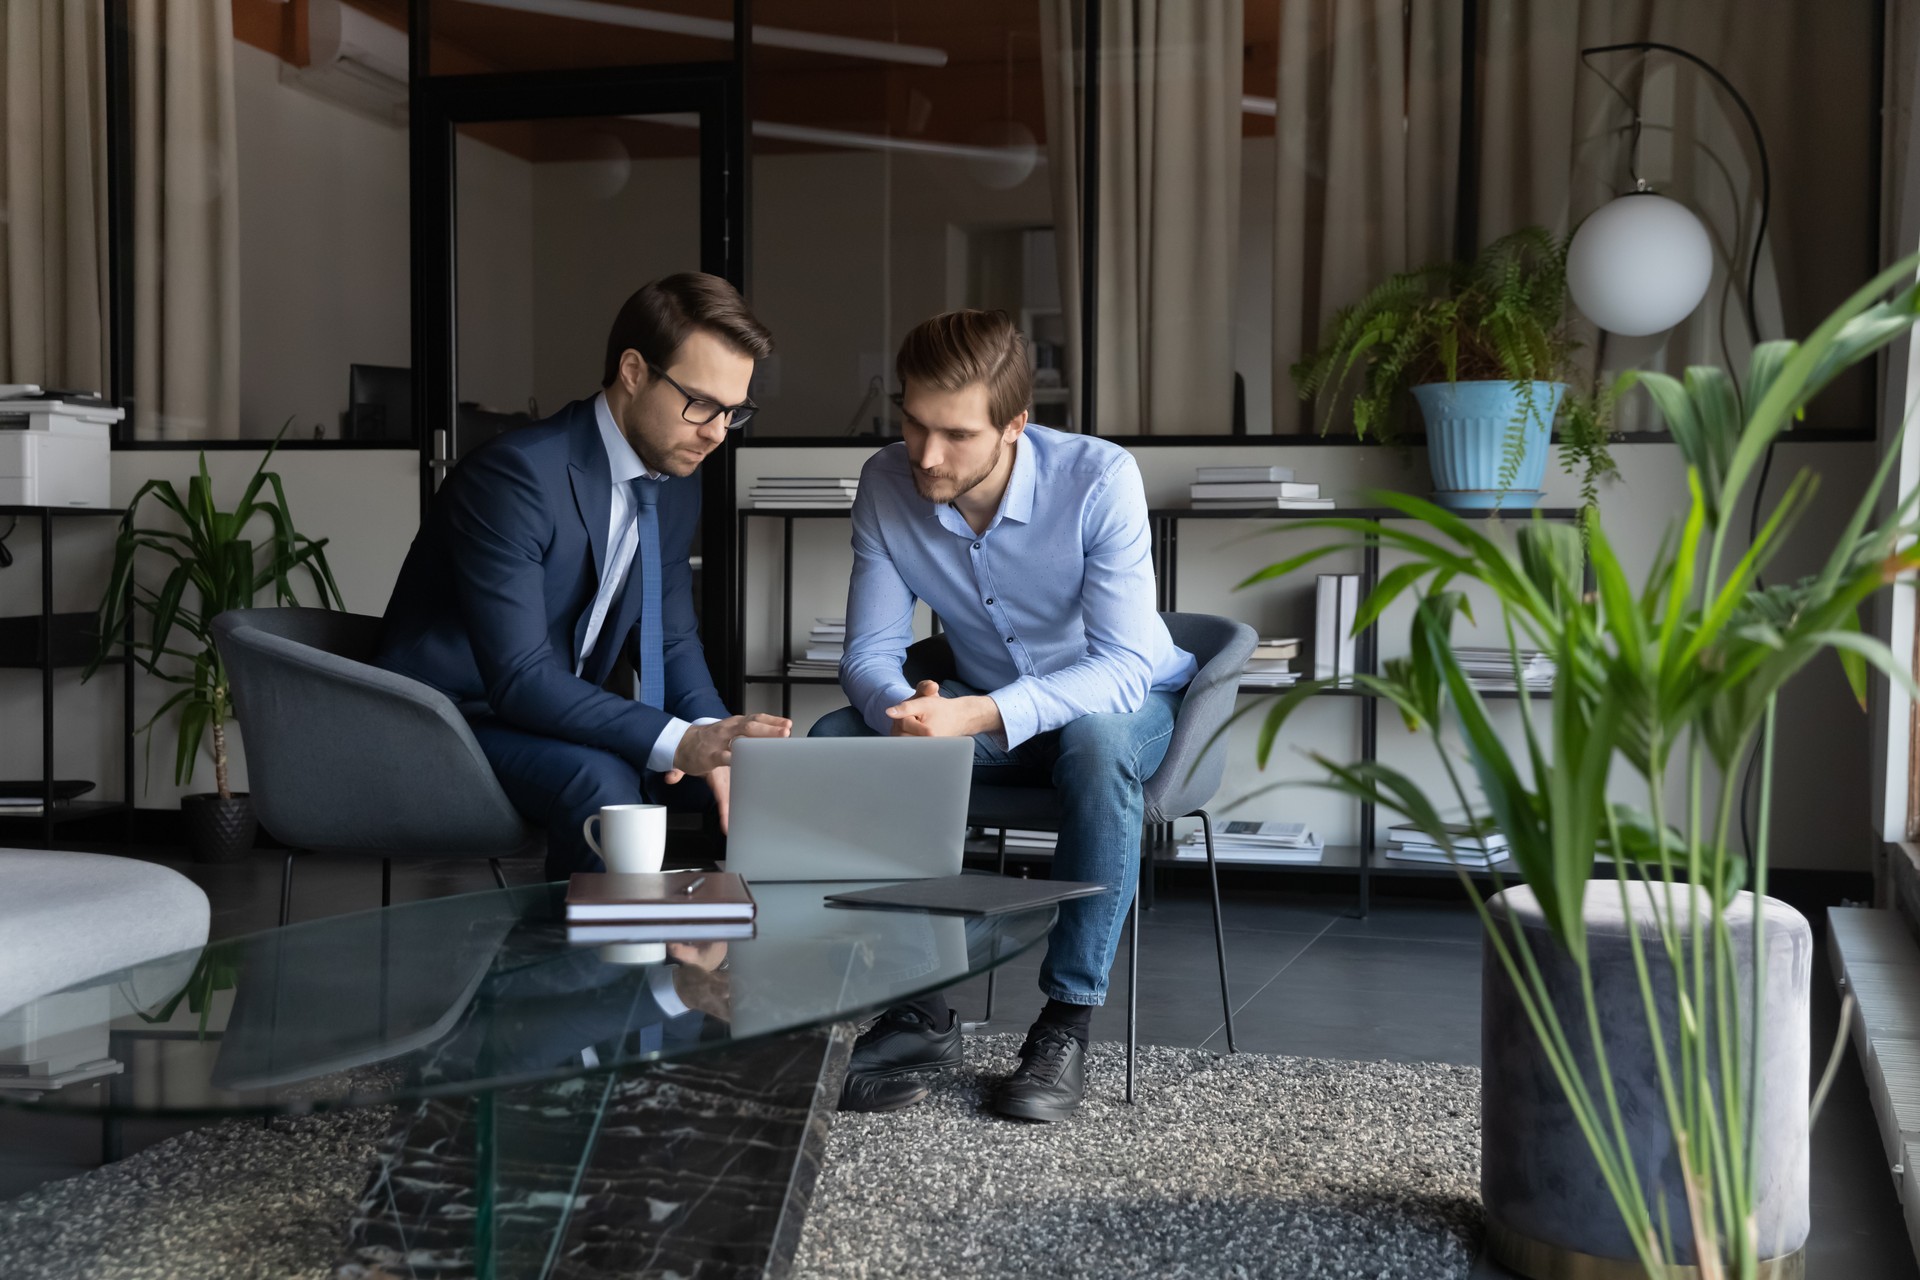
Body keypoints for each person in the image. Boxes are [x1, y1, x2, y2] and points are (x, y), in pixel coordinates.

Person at [810, 309, 1197, 1121]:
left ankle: (1066, 1021)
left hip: (1126, 708)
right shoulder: (886, 483)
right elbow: (868, 654)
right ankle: (921, 1008)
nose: (926, 454)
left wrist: (979, 712)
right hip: (977, 716)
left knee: (1093, 747)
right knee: (840, 741)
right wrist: (902, 711)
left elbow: (1125, 668)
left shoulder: (1097, 479)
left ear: (1015, 426)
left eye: (954, 434)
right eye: (912, 424)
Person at [376, 273, 791, 878]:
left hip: (549, 712)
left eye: (734, 411)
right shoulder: (516, 478)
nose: (716, 433)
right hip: (448, 720)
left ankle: (722, 961)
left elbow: (670, 637)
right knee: (602, 780)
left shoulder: (674, 478)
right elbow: (519, 678)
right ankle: (585, 967)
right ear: (632, 371)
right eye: (700, 403)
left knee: (757, 782)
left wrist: (714, 737)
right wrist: (679, 742)